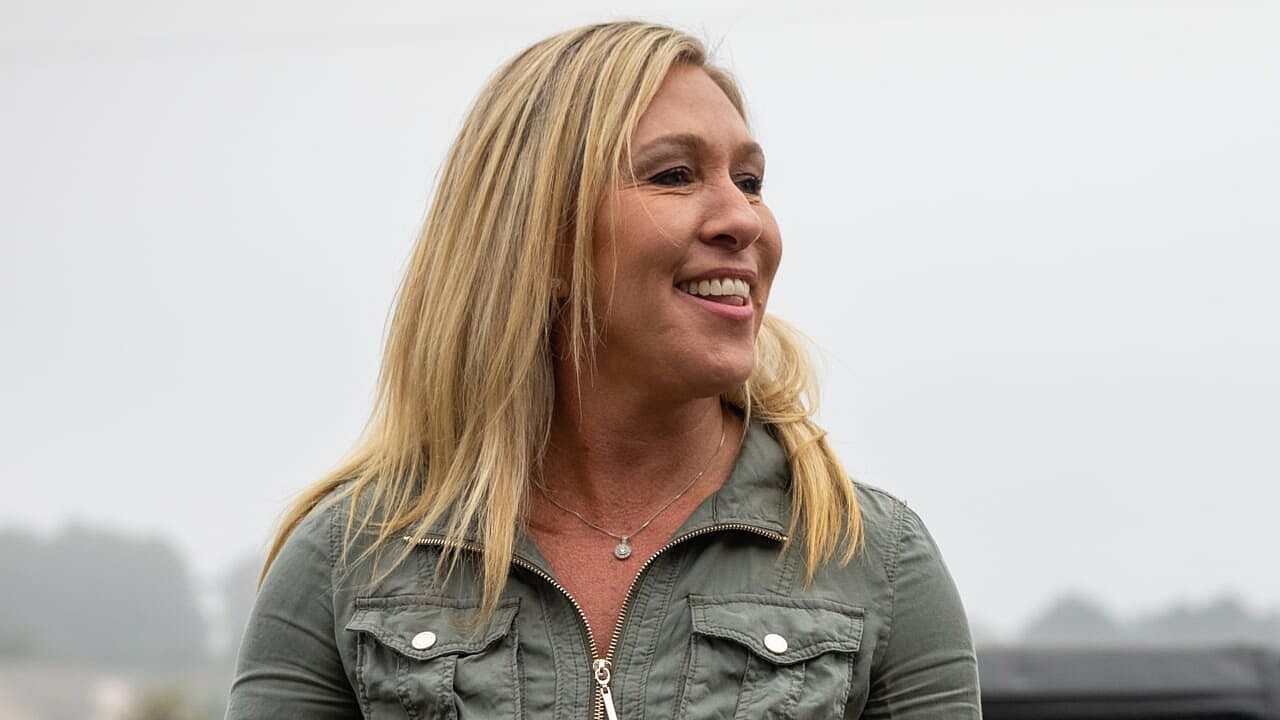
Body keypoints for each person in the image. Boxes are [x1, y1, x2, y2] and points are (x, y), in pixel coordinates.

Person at [226, 20, 981, 719]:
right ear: (543, 240)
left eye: (750, 181)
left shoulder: (871, 557)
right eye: (675, 175)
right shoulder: (350, 558)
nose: (743, 219)